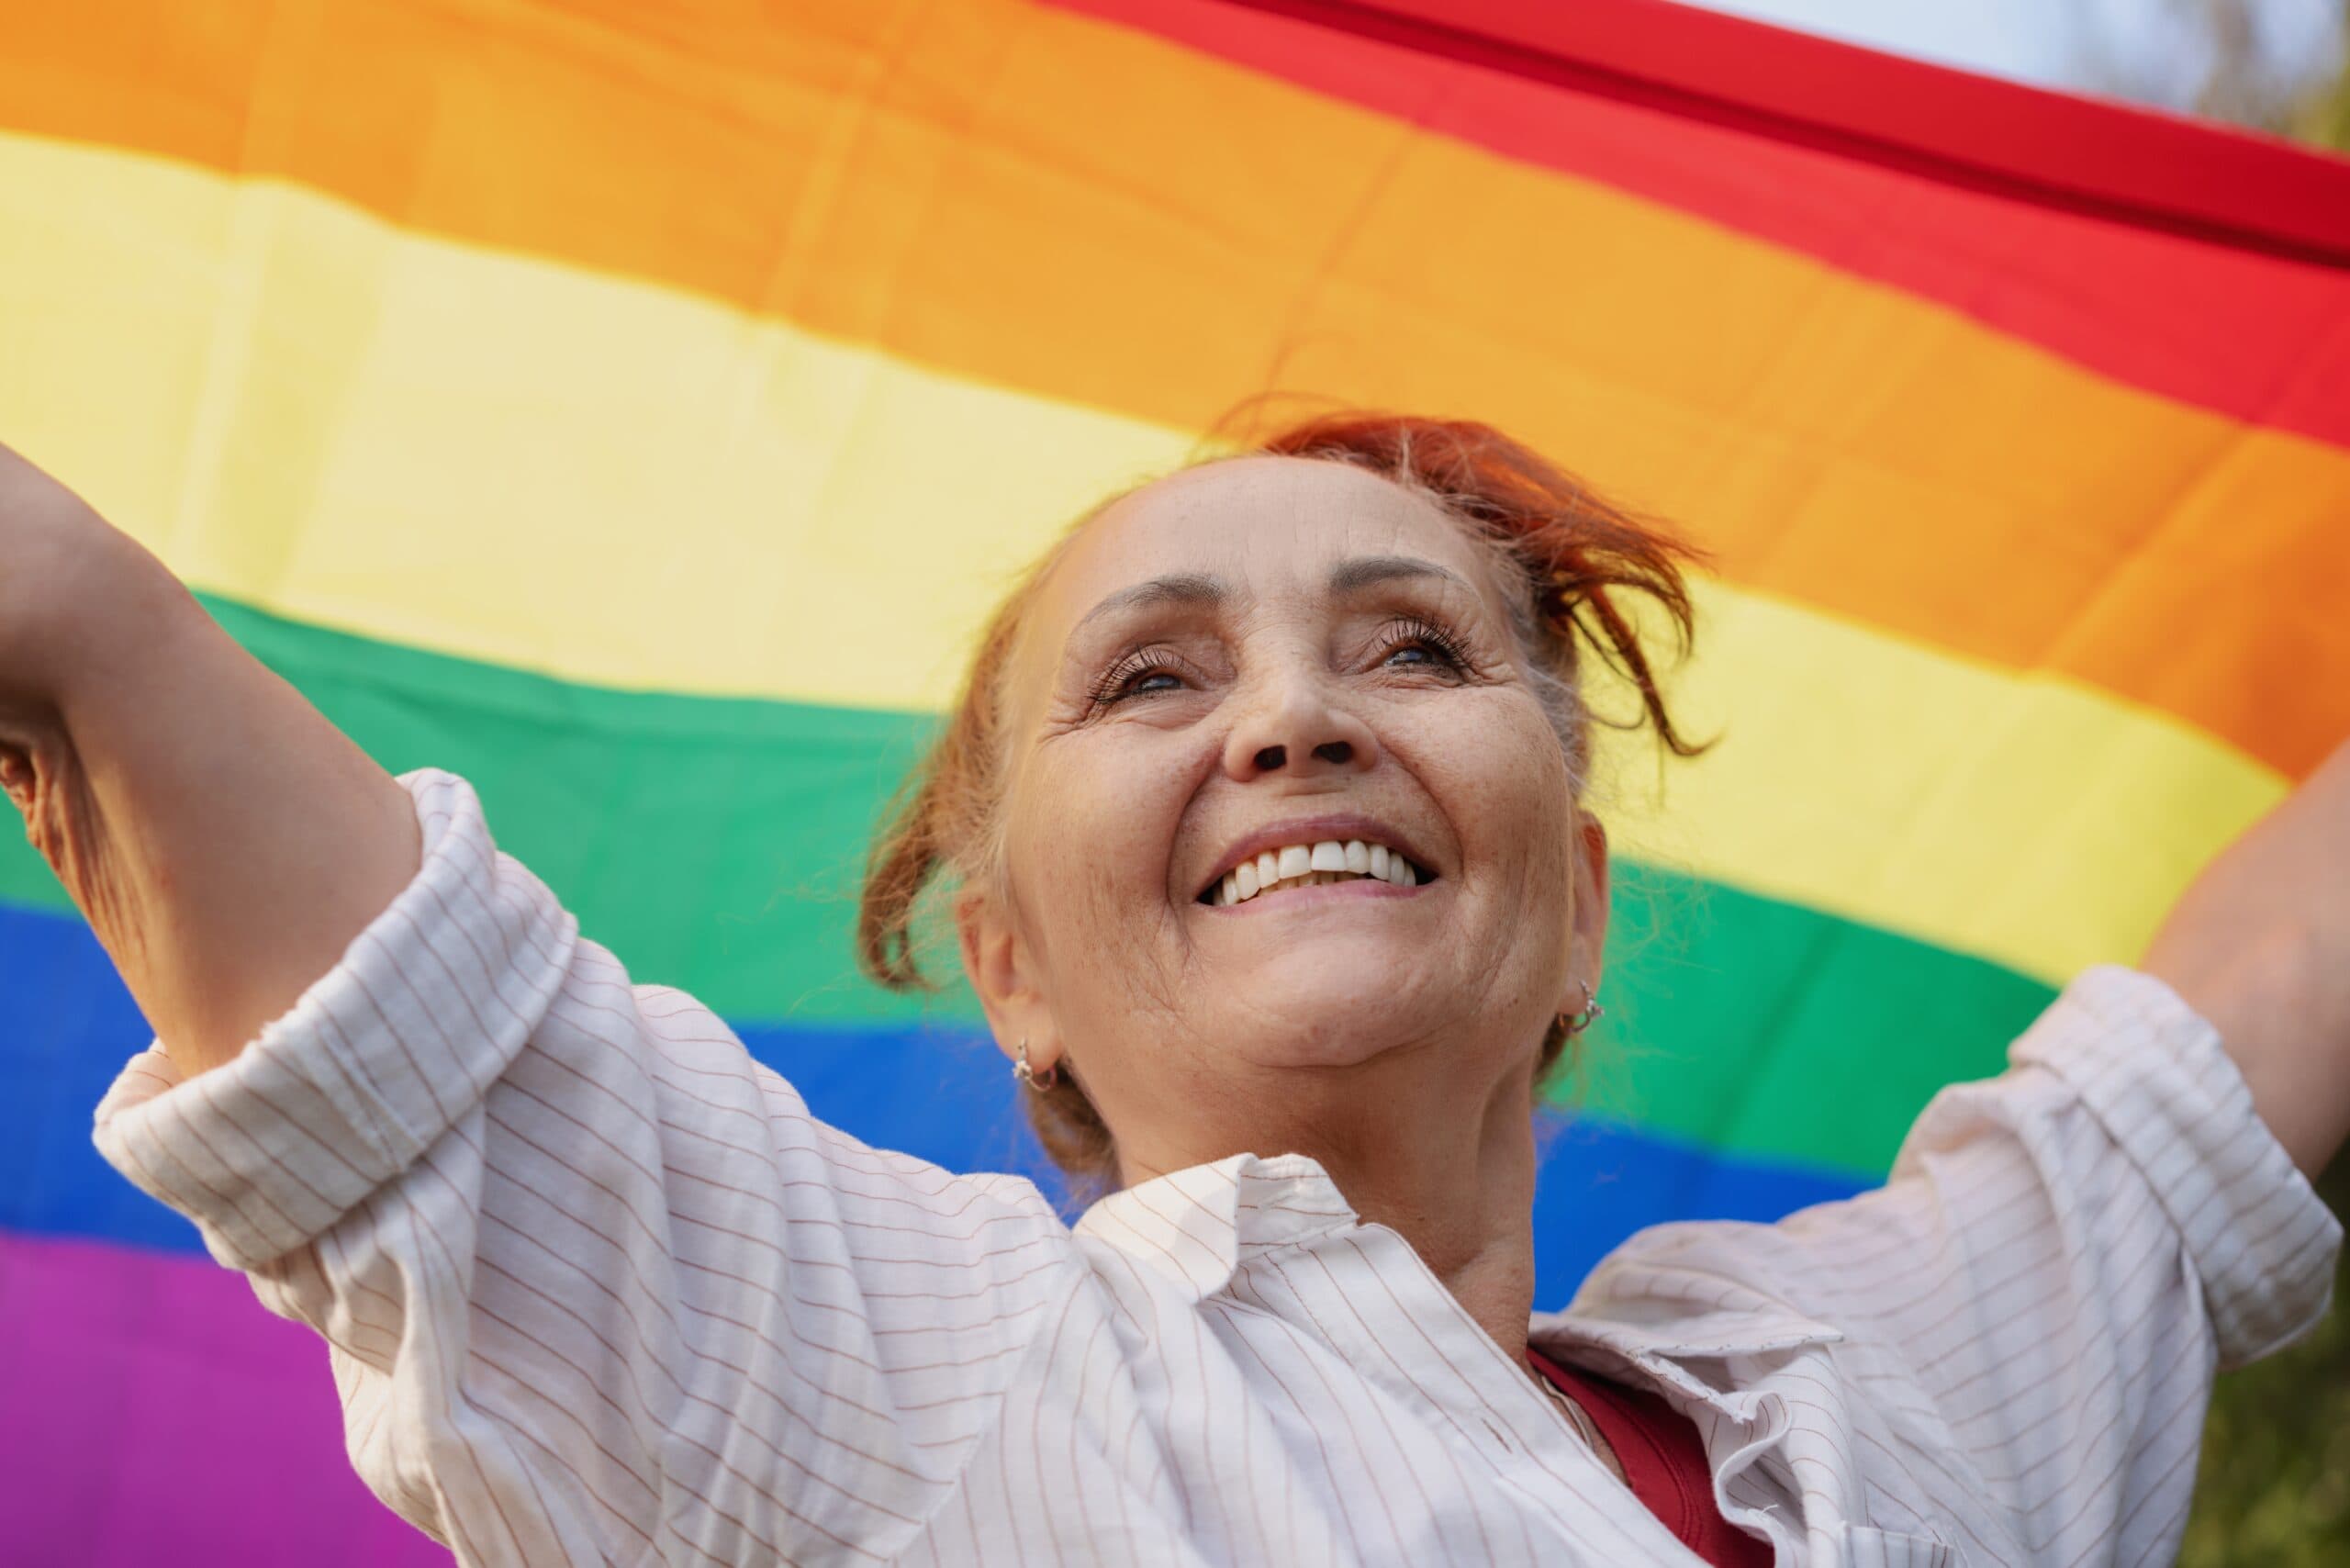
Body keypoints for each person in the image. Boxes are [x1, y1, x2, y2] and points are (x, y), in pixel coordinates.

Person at [1, 413, 2342, 1568]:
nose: (1295, 718)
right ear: (1007, 969)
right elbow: (408, 1026)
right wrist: (73, 616)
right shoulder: (914, 1383)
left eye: (1410, 644)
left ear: (1580, 908)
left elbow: (2179, 1079)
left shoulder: (1881, 1394)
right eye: (1152, 678)